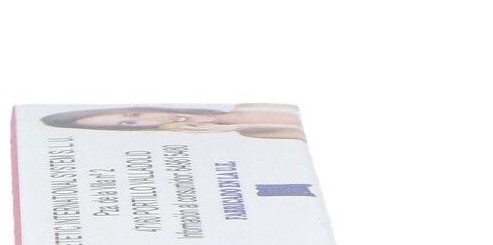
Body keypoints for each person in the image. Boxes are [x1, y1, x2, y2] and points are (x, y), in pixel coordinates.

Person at [41, 105, 306, 141]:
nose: (145, 120)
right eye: (128, 125)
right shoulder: (249, 135)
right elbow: (292, 133)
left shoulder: (245, 105)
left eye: (133, 115)